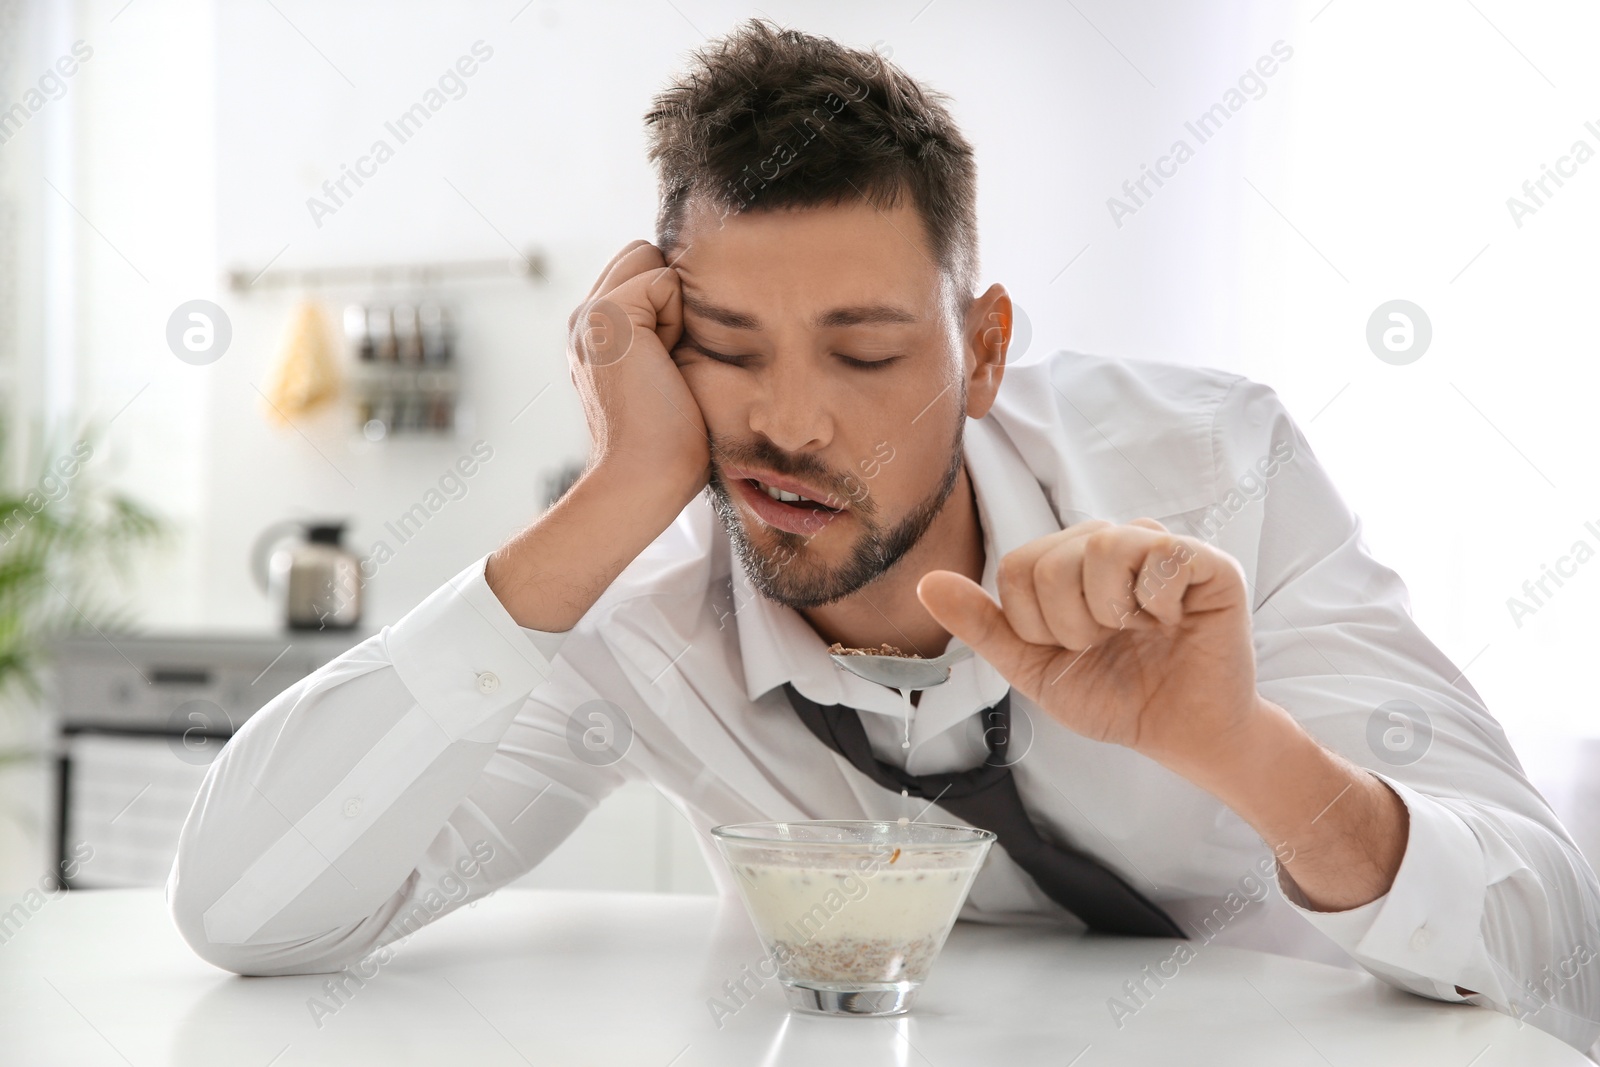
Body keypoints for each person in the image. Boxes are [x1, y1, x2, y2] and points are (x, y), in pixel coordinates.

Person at [168, 18, 1600, 1055]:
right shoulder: (642, 617)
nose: (788, 423)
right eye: (727, 348)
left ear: (980, 356)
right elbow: (250, 913)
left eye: (862, 356)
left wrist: (1244, 753)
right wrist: (613, 496)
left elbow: (1558, 951)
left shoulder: (1213, 473)